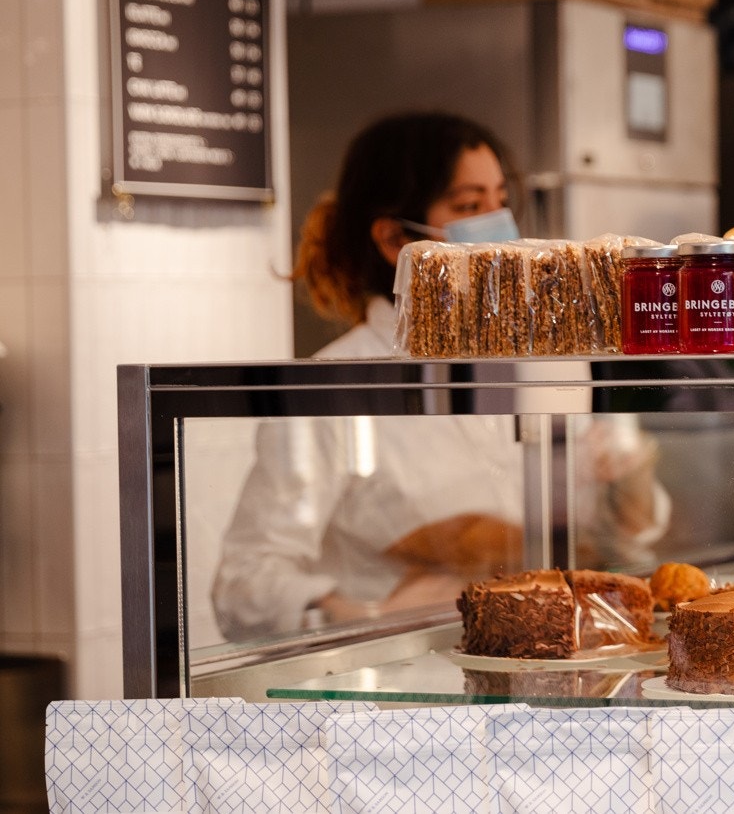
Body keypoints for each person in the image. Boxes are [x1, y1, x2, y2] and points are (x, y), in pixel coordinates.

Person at [211, 111, 669, 642]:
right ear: (394, 241)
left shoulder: (551, 363)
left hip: (554, 657)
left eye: (501, 200)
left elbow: (624, 539)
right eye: (470, 206)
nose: (499, 225)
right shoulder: (335, 388)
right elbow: (243, 587)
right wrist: (362, 617)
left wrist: (629, 479)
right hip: (409, 690)